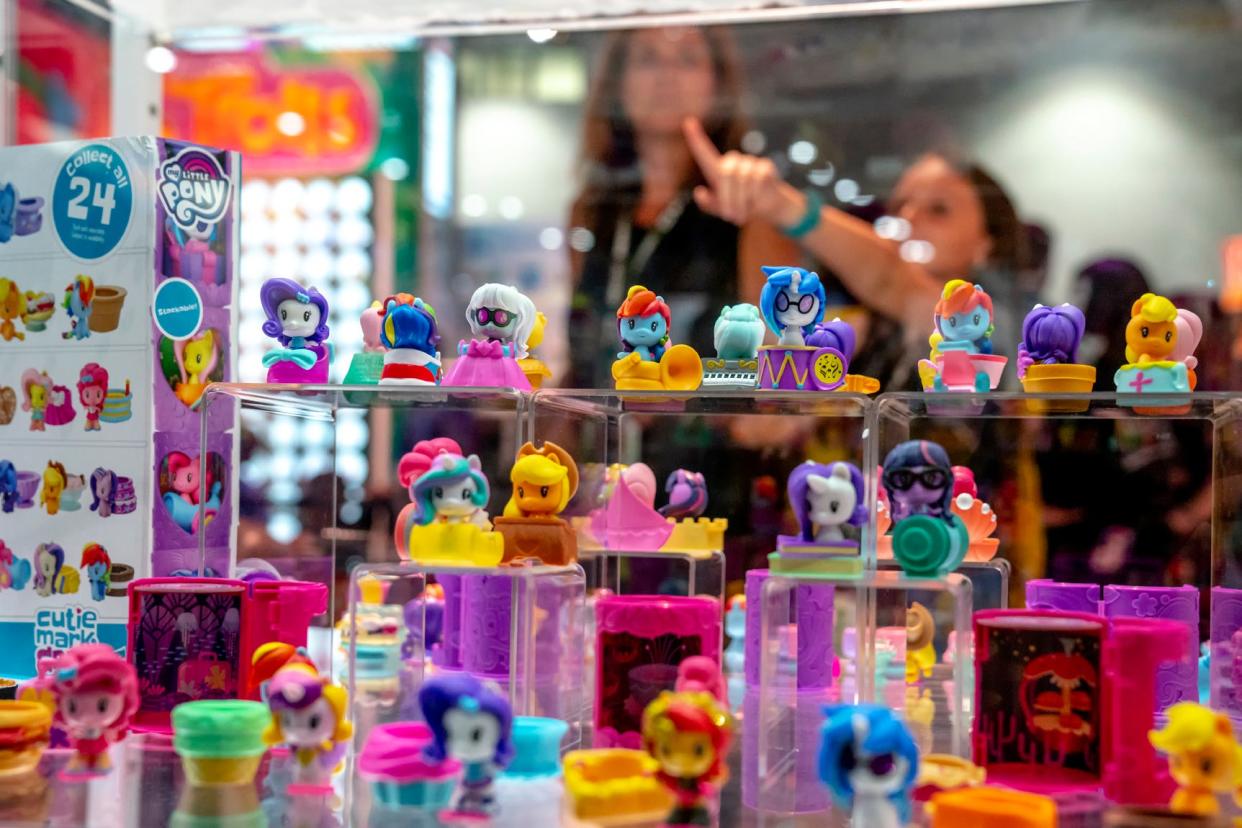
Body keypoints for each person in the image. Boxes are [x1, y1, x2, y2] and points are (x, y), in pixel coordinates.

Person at [681, 117, 1029, 387]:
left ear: (988, 245)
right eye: (900, 204)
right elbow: (775, 343)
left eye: (939, 209)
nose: (908, 218)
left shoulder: (997, 323)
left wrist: (781, 205)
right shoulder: (867, 323)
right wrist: (758, 212)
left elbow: (892, 280)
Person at [567, 27, 800, 387]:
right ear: (619, 82)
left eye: (688, 59)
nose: (667, 76)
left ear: (717, 82)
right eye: (647, 59)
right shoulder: (593, 211)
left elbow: (780, 374)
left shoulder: (747, 208)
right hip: (603, 433)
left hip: (709, 436)